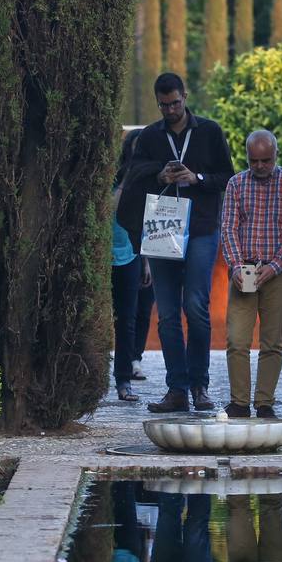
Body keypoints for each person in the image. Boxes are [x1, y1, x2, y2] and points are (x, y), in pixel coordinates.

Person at [116, 72, 236, 413]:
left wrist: (195, 178)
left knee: (196, 307)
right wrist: (160, 174)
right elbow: (135, 173)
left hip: (200, 227)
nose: (170, 110)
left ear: (185, 96)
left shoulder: (209, 131)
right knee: (167, 314)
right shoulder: (151, 136)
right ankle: (177, 389)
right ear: (158, 102)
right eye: (164, 105)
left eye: (176, 103)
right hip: (162, 226)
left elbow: (227, 176)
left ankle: (200, 386)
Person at [220, 130, 282, 419]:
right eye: (253, 160)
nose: (259, 166)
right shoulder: (236, 183)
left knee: (273, 340)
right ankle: (240, 403)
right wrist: (234, 265)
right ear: (247, 157)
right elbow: (229, 228)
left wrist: (275, 266)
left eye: (265, 160)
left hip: (280, 270)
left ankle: (264, 402)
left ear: (276, 156)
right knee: (237, 338)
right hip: (244, 268)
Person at [111, 129, 150, 401]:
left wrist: (146, 261)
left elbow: (150, 223)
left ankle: (123, 379)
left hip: (131, 254)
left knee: (127, 319)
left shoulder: (148, 181)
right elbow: (109, 208)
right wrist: (127, 179)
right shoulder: (113, 178)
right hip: (102, 254)